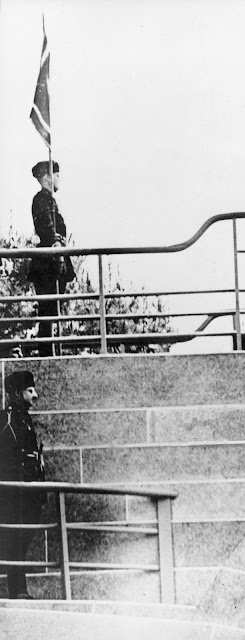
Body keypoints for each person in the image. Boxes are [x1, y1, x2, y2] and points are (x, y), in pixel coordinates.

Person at [0, 370, 46, 599]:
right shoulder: (8, 421)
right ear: (17, 393)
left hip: (29, 493)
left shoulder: (24, 420)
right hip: (15, 494)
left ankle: (19, 590)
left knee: (21, 540)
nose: (35, 395)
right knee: (16, 539)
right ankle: (18, 591)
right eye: (30, 391)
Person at [28, 161, 75, 356]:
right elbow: (46, 229)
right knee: (48, 310)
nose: (58, 178)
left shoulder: (49, 199)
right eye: (55, 175)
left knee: (52, 311)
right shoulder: (42, 199)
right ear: (46, 177)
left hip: (53, 262)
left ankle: (51, 349)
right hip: (48, 263)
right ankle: (47, 352)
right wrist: (56, 243)